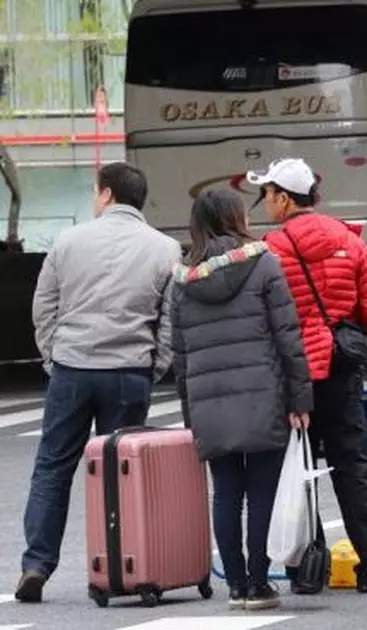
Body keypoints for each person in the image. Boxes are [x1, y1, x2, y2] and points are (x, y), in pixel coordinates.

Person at [249, 157, 367, 594]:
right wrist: (343, 329)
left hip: (293, 371)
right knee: (351, 463)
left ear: (284, 199)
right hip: (342, 364)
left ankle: (307, 569)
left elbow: (262, 316)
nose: (266, 203)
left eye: (268, 195)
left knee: (297, 465)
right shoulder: (347, 239)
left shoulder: (271, 247)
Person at [18, 162, 180, 603]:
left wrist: (55, 354)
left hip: (73, 368)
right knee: (120, 472)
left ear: (106, 194)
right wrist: (154, 366)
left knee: (53, 467)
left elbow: (44, 305)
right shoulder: (166, 248)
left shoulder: (68, 241)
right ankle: (120, 566)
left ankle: (36, 564)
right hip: (129, 370)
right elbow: (170, 320)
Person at [169, 190, 313, 610]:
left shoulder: (183, 278)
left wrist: (189, 410)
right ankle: (258, 583)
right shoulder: (263, 262)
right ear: (235, 218)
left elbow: (180, 355)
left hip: (209, 402)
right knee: (263, 491)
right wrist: (300, 397)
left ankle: (234, 584)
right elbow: (288, 337)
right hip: (263, 397)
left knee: (227, 492)